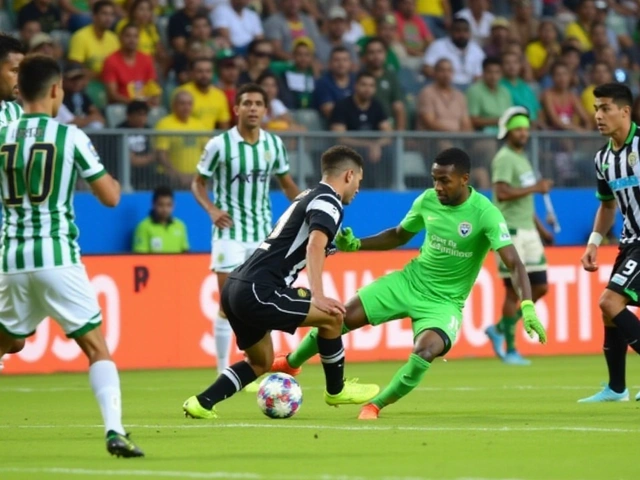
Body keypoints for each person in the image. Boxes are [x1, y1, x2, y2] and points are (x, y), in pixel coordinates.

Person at [272, 147, 547, 420]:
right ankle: (290, 362)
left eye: (445, 181)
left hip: (444, 303)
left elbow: (514, 263)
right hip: (408, 282)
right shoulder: (427, 200)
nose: (437, 186)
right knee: (339, 316)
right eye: (434, 179)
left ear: (465, 179)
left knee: (425, 351)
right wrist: (357, 245)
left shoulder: (485, 213)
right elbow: (398, 236)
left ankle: (374, 406)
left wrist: (527, 305)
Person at [0, 54, 143, 457]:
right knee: (97, 348)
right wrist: (107, 177)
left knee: (7, 343)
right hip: (58, 256)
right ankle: (115, 431)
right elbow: (111, 197)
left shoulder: (2, 135)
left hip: (10, 258)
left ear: (19, 90)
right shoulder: (70, 137)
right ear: (55, 91)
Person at [183, 145, 380, 418]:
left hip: (236, 287)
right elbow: (313, 247)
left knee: (261, 362)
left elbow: (298, 243)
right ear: (348, 175)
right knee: (333, 316)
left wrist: (335, 247)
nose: (358, 188)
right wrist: (319, 296)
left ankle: (201, 402)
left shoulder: (307, 195)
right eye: (358, 180)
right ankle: (336, 389)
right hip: (260, 289)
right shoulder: (330, 201)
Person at [190, 83, 300, 382]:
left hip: (263, 235)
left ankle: (257, 363)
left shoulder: (273, 145)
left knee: (259, 301)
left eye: (258, 103)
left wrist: (308, 208)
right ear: (236, 109)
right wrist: (212, 210)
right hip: (230, 234)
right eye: (247, 103)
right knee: (229, 303)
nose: (253, 108)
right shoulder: (219, 145)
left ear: (266, 110)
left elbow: (287, 183)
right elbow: (197, 183)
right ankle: (223, 370)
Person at [579, 83, 640, 403]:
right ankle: (617, 388)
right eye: (595, 109)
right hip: (630, 242)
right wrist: (593, 242)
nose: (598, 116)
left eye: (604, 108)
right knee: (609, 312)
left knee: (610, 302)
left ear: (625, 111)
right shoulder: (603, 159)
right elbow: (607, 205)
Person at [485, 107, 554, 366]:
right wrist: (536, 187)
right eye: (518, 128)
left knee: (540, 286)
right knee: (514, 294)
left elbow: (523, 199)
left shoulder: (522, 158)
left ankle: (500, 328)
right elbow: (502, 193)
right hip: (510, 231)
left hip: (528, 229)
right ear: (508, 131)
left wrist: (540, 228)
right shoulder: (504, 158)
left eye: (526, 128)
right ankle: (511, 348)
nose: (523, 133)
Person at [0, 35, 26, 372]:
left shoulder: (17, 112)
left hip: (9, 236)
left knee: (16, 339)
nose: (19, 78)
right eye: (13, 69)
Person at [133, 187, 190, 253]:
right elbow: (139, 256)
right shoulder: (143, 227)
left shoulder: (180, 226)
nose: (165, 209)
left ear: (173, 205)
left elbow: (185, 252)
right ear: (153, 205)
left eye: (169, 205)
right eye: (161, 205)